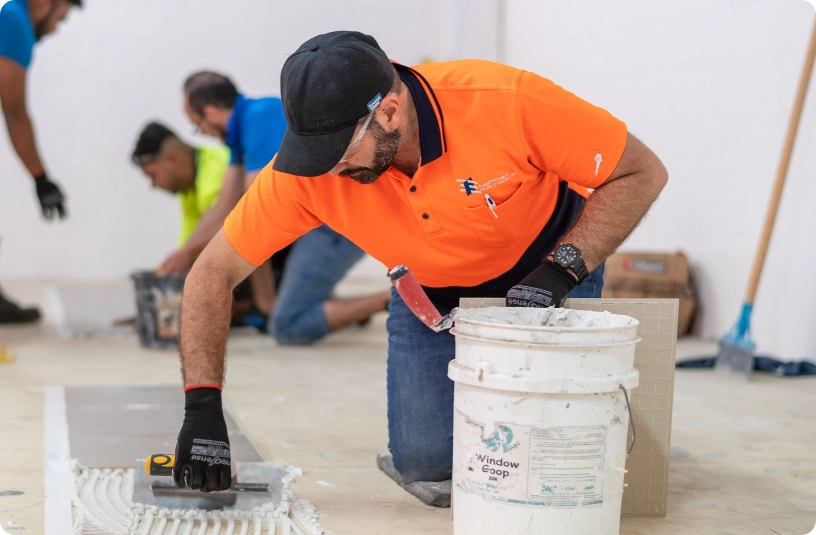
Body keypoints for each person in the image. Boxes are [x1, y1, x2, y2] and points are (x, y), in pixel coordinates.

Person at [169, 31, 668, 505]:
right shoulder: (310, 174)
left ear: (388, 111)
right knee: (424, 463)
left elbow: (640, 171)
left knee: (561, 449)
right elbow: (211, 274)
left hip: (551, 269)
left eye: (339, 155)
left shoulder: (504, 100)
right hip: (430, 296)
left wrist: (562, 269)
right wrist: (202, 407)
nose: (331, 172)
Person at [165, 71, 390, 343]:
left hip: (336, 225)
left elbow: (255, 214)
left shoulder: (260, 116)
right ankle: (331, 306)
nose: (203, 133)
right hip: (320, 222)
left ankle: (393, 299)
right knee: (282, 300)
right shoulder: (240, 135)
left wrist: (267, 305)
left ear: (210, 113)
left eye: (197, 124)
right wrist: (188, 251)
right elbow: (225, 204)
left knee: (287, 326)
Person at [130, 122, 269, 326]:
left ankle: (262, 309)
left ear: (172, 159)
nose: (153, 185)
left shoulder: (218, 169)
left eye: (153, 175)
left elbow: (234, 225)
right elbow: (188, 253)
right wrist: (160, 310)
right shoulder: (189, 190)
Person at [0, 0, 81, 323]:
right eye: (60, 18)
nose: (56, 28)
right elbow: (15, 113)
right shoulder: (13, 22)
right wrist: (41, 177)